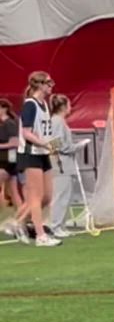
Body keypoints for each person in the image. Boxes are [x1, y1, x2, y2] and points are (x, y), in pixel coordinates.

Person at [12, 71, 59, 246]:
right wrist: (45, 144)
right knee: (36, 197)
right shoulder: (30, 105)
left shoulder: (44, 104)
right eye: (48, 82)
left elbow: (45, 131)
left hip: (42, 153)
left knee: (47, 196)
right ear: (39, 84)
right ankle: (40, 236)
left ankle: (18, 223)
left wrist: (53, 146)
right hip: (30, 153)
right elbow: (26, 133)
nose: (51, 85)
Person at [46, 94, 78, 238]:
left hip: (65, 162)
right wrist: (73, 148)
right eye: (69, 105)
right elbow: (54, 143)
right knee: (60, 195)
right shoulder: (56, 121)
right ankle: (55, 226)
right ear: (64, 107)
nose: (70, 107)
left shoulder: (60, 121)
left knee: (66, 196)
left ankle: (61, 225)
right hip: (60, 162)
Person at [0, 99, 22, 236]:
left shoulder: (10, 124)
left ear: (4, 109)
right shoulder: (3, 124)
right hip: (5, 160)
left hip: (8, 161)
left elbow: (15, 143)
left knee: (13, 192)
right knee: (13, 193)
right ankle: (21, 220)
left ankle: (21, 219)